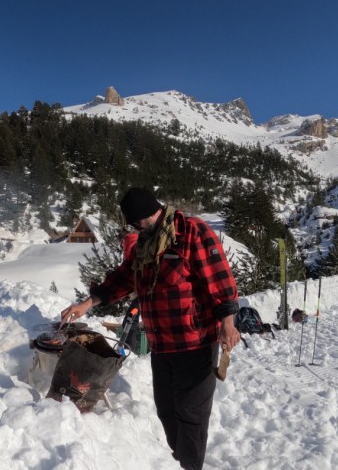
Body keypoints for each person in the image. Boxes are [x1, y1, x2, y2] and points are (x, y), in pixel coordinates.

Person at [61, 187, 241, 470]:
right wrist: (88, 302)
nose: (136, 227)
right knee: (167, 412)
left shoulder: (191, 232)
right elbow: (123, 278)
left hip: (195, 343)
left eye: (138, 221)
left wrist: (228, 322)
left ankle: (190, 466)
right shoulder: (145, 243)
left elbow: (220, 279)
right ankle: (182, 461)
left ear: (150, 211)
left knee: (191, 416)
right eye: (133, 224)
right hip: (162, 346)